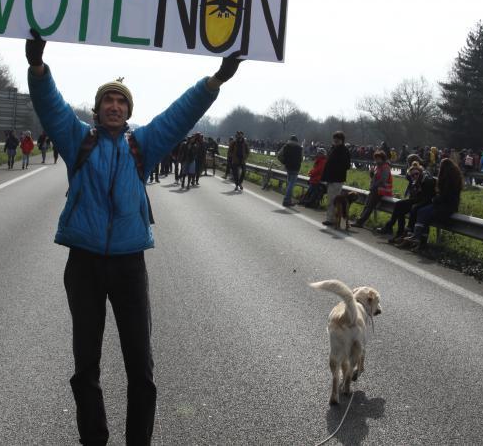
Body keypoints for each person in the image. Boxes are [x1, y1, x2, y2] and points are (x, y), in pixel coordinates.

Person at [24, 29, 241, 446]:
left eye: (121, 101)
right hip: (83, 265)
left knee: (140, 367)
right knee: (85, 365)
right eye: (108, 100)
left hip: (128, 266)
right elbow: (49, 106)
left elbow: (180, 115)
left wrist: (215, 80)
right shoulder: (78, 140)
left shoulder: (142, 145)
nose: (115, 105)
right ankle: (94, 440)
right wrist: (37, 67)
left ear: (128, 112)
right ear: (97, 108)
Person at [398, 157, 463, 251]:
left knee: (422, 212)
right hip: (445, 204)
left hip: (446, 206)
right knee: (424, 216)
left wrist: (435, 199)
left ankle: (416, 236)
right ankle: (421, 243)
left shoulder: (449, 180)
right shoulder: (453, 178)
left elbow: (445, 196)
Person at [321, 131, 351, 228]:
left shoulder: (344, 150)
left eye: (337, 139)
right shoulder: (334, 149)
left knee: (333, 200)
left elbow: (346, 165)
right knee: (331, 199)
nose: (335, 140)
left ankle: (331, 219)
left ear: (341, 140)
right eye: (334, 139)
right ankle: (332, 218)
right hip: (331, 178)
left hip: (337, 178)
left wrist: (336, 168)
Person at [356, 150, 392, 227]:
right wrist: (371, 173)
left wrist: (374, 186)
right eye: (376, 158)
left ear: (382, 158)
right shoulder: (378, 166)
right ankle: (359, 220)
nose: (376, 160)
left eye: (378, 158)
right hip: (375, 189)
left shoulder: (385, 167)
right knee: (367, 205)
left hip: (381, 190)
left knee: (369, 206)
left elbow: (383, 180)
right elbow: (374, 178)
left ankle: (360, 222)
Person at [276, 134, 303, 207]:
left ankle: (289, 200)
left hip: (288, 167)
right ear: (297, 141)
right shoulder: (299, 148)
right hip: (296, 167)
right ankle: (286, 200)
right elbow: (301, 158)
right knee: (291, 184)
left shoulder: (286, 146)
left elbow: (279, 155)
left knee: (289, 183)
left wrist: (284, 162)